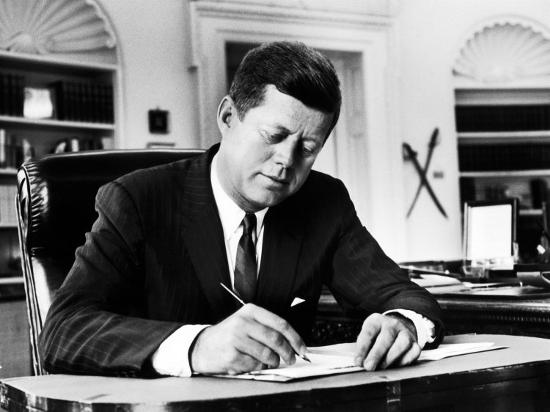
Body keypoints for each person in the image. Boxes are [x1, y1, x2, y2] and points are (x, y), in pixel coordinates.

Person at [40, 41, 443, 378]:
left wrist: (404, 323)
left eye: (308, 148)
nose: (287, 161)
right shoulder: (138, 199)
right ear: (228, 117)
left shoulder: (324, 202)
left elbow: (402, 294)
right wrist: (195, 346)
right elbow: (63, 331)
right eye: (274, 135)